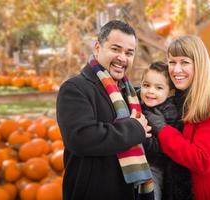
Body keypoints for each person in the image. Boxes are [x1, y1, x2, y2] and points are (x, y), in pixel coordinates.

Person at [56, 20, 154, 200]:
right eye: (115, 49)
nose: (122, 58)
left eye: (129, 53)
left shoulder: (130, 93)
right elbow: (81, 138)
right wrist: (135, 129)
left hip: (130, 192)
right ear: (97, 48)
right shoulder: (75, 88)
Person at [144, 35, 210, 200]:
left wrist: (163, 129)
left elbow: (202, 160)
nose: (176, 70)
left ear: (199, 65)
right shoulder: (179, 99)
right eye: (172, 62)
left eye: (184, 62)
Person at [139, 61, 193, 200]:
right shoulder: (138, 102)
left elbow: (163, 146)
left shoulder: (169, 113)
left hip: (155, 164)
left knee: (151, 192)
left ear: (169, 92)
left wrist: (141, 137)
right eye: (146, 85)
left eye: (158, 88)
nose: (150, 91)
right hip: (137, 161)